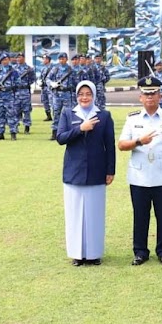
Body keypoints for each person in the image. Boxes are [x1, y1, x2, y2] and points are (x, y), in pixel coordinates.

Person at [118, 76, 162, 266]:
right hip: (139, 176)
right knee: (140, 215)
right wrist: (139, 141)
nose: (150, 97)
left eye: (153, 93)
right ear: (140, 97)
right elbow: (122, 145)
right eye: (146, 94)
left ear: (160, 95)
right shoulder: (132, 119)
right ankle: (140, 252)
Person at [57, 80, 115, 266]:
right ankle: (77, 254)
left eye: (88, 94)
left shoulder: (104, 115)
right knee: (74, 215)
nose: (84, 97)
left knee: (94, 215)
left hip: (97, 171)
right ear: (76, 95)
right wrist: (80, 129)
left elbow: (110, 145)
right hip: (74, 172)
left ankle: (93, 254)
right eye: (81, 94)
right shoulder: (68, 113)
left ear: (94, 95)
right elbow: (61, 138)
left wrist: (110, 170)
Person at [0, 53, 20, 140]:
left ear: (9, 60)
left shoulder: (13, 71)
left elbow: (19, 83)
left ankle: (13, 133)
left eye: (6, 60)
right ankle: (0, 133)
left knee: (11, 115)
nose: (4, 61)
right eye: (3, 60)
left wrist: (11, 87)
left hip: (9, 95)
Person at [47, 52, 77, 140]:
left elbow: (76, 82)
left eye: (63, 58)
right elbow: (48, 79)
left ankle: (69, 132)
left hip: (67, 94)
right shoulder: (55, 69)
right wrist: (52, 84)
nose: (61, 60)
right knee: (56, 113)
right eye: (60, 59)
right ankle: (54, 132)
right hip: (57, 94)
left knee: (68, 113)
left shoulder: (71, 70)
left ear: (66, 59)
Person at [38, 54, 54, 121]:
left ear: (48, 60)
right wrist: (39, 81)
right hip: (44, 87)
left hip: (49, 87)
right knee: (45, 101)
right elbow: (40, 77)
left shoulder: (52, 68)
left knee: (52, 102)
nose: (43, 60)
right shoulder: (43, 68)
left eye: (44, 59)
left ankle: (55, 115)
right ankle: (48, 116)